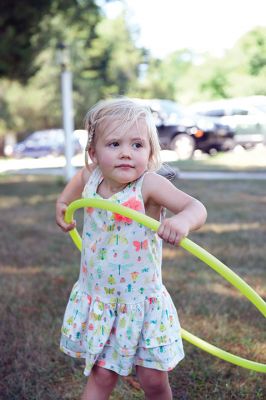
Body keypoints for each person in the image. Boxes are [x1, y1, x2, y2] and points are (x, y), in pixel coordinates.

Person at [56, 98, 207, 400]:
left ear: (150, 152)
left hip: (140, 302)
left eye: (137, 145)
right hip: (101, 299)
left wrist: (183, 223)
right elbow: (70, 193)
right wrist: (62, 206)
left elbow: (196, 207)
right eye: (114, 144)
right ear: (93, 152)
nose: (126, 152)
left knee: (152, 379)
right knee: (101, 373)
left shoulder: (148, 185)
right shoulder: (91, 177)